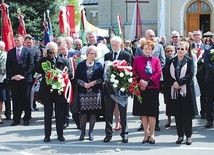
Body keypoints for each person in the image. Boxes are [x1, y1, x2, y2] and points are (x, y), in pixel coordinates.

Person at [35, 42, 71, 142]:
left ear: (57, 50)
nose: (51, 51)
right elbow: (37, 70)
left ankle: (60, 134)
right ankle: (47, 135)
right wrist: (44, 57)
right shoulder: (43, 60)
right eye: (49, 49)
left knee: (60, 114)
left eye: (53, 49)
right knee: (48, 114)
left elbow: (70, 74)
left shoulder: (63, 61)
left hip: (59, 91)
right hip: (47, 91)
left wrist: (63, 74)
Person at [165, 41, 197, 145]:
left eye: (182, 49)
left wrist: (179, 82)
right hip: (174, 90)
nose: (179, 50)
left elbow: (191, 74)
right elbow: (167, 74)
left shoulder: (189, 60)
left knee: (187, 115)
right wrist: (174, 83)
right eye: (178, 48)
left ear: (186, 50)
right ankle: (180, 136)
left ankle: (188, 136)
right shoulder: (171, 60)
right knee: (178, 115)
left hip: (186, 91)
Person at [103, 36, 132, 143]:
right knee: (108, 112)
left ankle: (124, 133)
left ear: (120, 45)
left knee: (123, 112)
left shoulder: (126, 55)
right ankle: (108, 134)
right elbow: (104, 71)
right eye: (113, 45)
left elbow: (130, 71)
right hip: (109, 88)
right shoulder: (107, 55)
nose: (114, 47)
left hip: (122, 89)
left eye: (116, 45)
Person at [132, 40, 161, 144]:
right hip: (141, 88)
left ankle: (152, 134)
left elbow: (158, 73)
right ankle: (145, 134)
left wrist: (148, 82)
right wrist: (140, 81)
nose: (147, 50)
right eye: (146, 48)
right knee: (143, 113)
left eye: (149, 48)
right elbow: (134, 72)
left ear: (152, 50)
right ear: (142, 49)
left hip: (152, 88)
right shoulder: (137, 59)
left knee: (152, 113)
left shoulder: (156, 60)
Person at [75, 45, 103, 141]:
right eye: (91, 53)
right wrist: (83, 84)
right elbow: (76, 78)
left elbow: (102, 79)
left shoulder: (99, 65)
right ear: (87, 54)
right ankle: (82, 132)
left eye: (94, 54)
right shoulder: (81, 65)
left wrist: (94, 82)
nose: (92, 55)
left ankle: (91, 132)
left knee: (93, 113)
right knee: (83, 113)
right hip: (83, 93)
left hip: (95, 92)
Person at [6, 34, 34, 126]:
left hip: (25, 80)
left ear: (22, 41)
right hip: (14, 80)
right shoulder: (10, 52)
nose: (16, 42)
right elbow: (8, 66)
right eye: (15, 40)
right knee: (15, 100)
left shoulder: (28, 51)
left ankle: (26, 118)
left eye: (18, 40)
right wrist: (13, 76)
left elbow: (30, 65)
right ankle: (16, 119)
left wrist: (23, 76)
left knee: (25, 99)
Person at [191, 29, 207, 119]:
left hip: (202, 74)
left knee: (203, 94)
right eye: (194, 35)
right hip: (191, 74)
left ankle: (203, 111)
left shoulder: (206, 47)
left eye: (198, 35)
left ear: (201, 36)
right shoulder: (189, 47)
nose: (196, 36)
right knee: (191, 93)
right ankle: (192, 111)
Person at [163, 45, 175, 128]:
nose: (170, 52)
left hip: (175, 84)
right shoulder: (164, 61)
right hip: (167, 84)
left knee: (176, 102)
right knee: (168, 102)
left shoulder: (177, 59)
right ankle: (169, 119)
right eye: (168, 51)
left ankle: (177, 119)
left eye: (171, 50)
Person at [204, 42, 214, 128]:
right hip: (211, 77)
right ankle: (209, 120)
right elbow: (206, 63)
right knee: (210, 99)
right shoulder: (208, 50)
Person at [0, 41, 7, 124]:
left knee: (1, 99)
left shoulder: (5, 55)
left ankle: (0, 116)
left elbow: (5, 69)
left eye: (1, 48)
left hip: (1, 80)